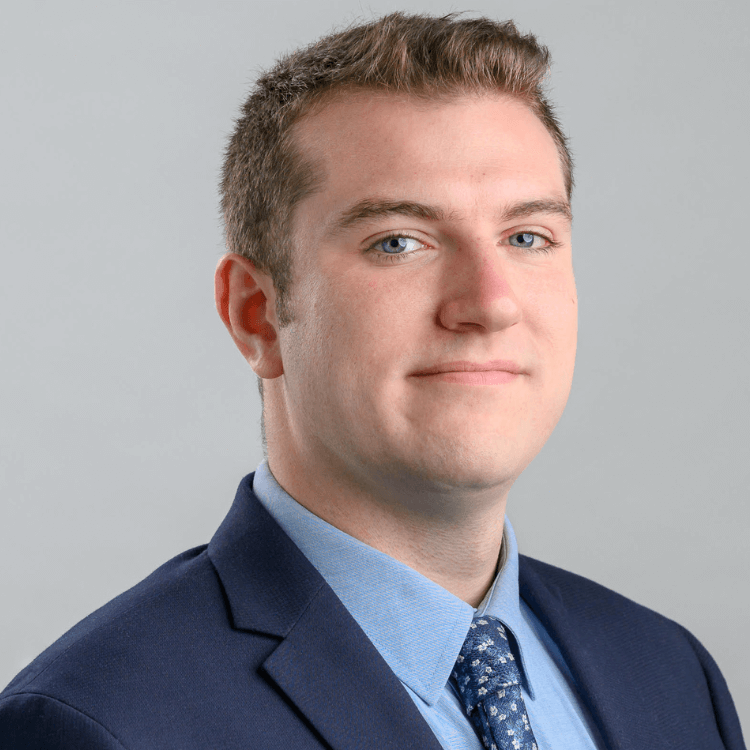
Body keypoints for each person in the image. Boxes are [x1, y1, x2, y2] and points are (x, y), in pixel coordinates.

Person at [0, 11, 744, 750]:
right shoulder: (99, 725)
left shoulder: (671, 675)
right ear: (257, 315)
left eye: (527, 237)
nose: (489, 303)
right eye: (398, 242)